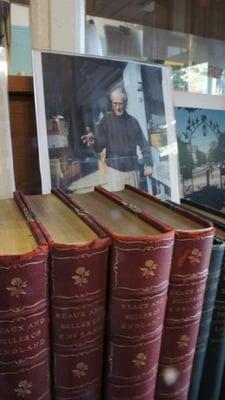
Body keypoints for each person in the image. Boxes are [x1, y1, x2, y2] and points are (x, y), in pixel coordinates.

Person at [81, 88, 153, 191]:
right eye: (115, 104)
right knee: (117, 205)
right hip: (114, 173)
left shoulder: (133, 122)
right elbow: (99, 147)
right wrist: (93, 142)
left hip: (132, 173)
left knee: (135, 204)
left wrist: (149, 164)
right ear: (111, 103)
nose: (118, 107)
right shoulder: (106, 121)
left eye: (120, 104)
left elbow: (144, 145)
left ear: (126, 103)